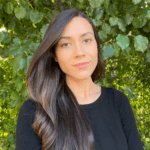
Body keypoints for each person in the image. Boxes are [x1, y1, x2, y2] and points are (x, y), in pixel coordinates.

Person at [15, 8, 144, 150]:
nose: (79, 52)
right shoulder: (35, 111)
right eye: (66, 44)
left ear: (96, 45)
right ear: (55, 55)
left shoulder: (118, 102)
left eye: (86, 40)